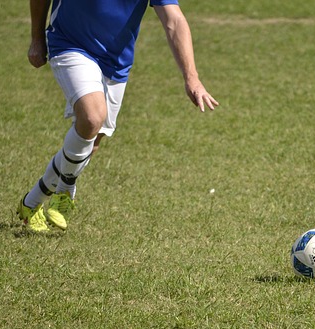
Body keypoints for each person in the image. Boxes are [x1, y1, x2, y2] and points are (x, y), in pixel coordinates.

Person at [18, 0, 218, 232]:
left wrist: (191, 77)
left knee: (90, 142)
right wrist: (36, 38)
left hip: (116, 62)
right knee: (93, 117)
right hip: (70, 43)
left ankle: (31, 202)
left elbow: (174, 20)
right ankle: (66, 190)